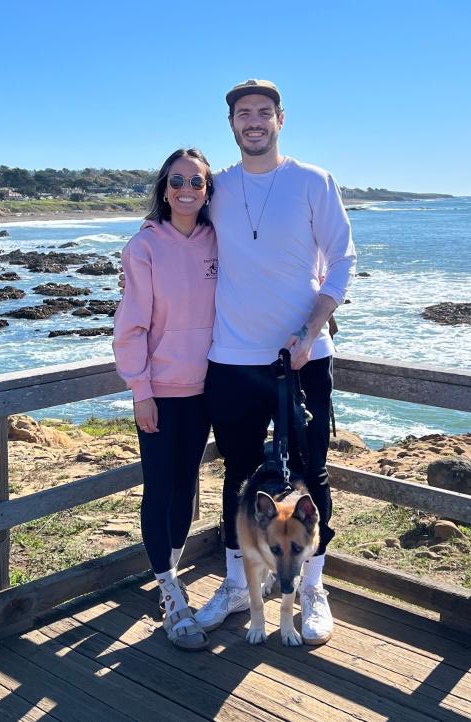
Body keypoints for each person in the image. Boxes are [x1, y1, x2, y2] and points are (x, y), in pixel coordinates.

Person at [194, 80, 356, 645]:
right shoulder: (216, 188)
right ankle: (239, 584)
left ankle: (312, 589)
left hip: (302, 359)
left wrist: (311, 330)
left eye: (264, 112)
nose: (254, 122)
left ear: (280, 120)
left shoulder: (313, 181)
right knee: (238, 477)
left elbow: (342, 259)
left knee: (312, 477)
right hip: (232, 358)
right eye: (244, 114)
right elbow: (183, 241)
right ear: (232, 124)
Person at [113, 148, 217, 651]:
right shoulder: (144, 247)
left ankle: (170, 573)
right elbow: (130, 326)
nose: (186, 189)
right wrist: (140, 391)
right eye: (177, 180)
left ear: (207, 190)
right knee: (159, 487)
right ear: (164, 187)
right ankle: (168, 589)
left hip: (208, 389)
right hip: (160, 391)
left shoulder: (217, 240)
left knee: (186, 483)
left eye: (196, 182)